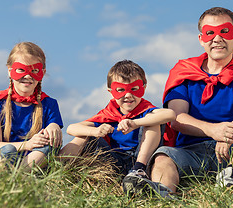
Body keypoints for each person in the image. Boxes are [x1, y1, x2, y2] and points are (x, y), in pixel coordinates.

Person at [125, 7, 233, 196]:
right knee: (162, 156)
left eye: (224, 31)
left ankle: (231, 175)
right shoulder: (184, 72)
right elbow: (176, 118)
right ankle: (164, 195)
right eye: (210, 32)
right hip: (191, 153)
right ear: (201, 39)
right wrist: (213, 130)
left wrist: (231, 130)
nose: (217, 39)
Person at [59, 60, 176, 195]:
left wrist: (136, 123)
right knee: (82, 136)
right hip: (115, 160)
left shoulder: (146, 109)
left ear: (144, 87)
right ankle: (58, 169)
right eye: (120, 90)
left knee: (152, 121)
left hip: (144, 159)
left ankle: (139, 170)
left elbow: (170, 114)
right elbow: (71, 128)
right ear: (111, 91)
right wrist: (96, 131)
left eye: (134, 89)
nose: (128, 95)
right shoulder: (108, 113)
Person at [0, 42, 63, 169]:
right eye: (21, 70)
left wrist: (53, 127)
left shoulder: (49, 104)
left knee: (49, 143)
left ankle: (18, 176)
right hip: (5, 162)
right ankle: (13, 176)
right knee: (8, 149)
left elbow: (53, 133)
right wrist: (27, 145)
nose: (27, 76)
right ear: (10, 71)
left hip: (34, 163)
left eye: (34, 71)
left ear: (42, 73)